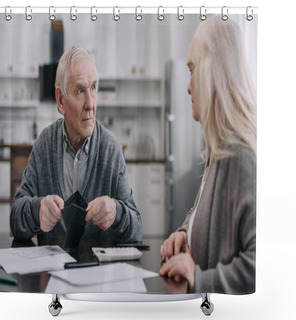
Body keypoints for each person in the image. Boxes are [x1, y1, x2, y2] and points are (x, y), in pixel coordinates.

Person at [159, 16, 256, 294]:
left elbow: (261, 264)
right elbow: (199, 213)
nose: (188, 87)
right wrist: (183, 233)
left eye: (193, 70)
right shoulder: (218, 153)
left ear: (213, 72)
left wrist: (199, 278)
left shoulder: (241, 157)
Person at [10, 46, 142, 247]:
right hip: (52, 274)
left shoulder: (111, 148)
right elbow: (15, 220)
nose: (90, 104)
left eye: (93, 88)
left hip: (98, 275)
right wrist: (38, 211)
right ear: (61, 100)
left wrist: (116, 213)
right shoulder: (45, 144)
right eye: (80, 90)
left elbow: (137, 229)